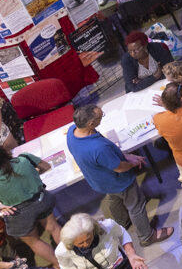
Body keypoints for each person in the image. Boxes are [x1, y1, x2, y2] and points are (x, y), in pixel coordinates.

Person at [66, 105, 172, 247]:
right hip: (119, 181)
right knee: (136, 206)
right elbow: (120, 168)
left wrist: (124, 155)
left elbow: (105, 154)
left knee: (114, 199)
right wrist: (133, 163)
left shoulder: (72, 132)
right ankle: (146, 236)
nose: (102, 117)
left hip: (100, 181)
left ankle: (122, 224)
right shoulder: (98, 147)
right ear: (90, 123)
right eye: (100, 116)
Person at [0, 143, 61, 267]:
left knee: (34, 242)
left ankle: (60, 265)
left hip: (19, 214)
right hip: (41, 200)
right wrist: (31, 176)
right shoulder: (24, 158)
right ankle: (73, 256)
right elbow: (46, 166)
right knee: (54, 228)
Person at [55, 212, 150, 269]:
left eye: (89, 238)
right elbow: (66, 266)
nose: (86, 244)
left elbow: (122, 233)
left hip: (120, 266)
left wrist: (131, 254)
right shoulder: (62, 250)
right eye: (80, 243)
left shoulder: (107, 226)